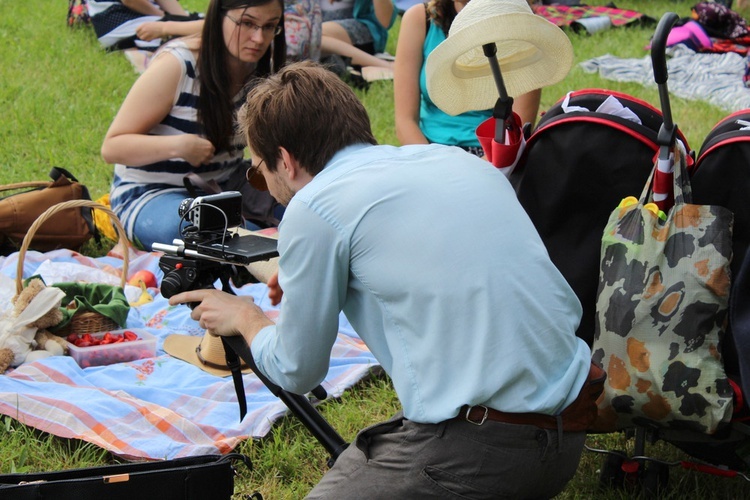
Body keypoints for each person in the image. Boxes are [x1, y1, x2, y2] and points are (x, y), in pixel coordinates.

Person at [169, 61, 594, 498]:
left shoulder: (313, 205)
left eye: (259, 172)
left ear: (285, 160)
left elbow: (296, 370)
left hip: (487, 451)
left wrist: (247, 318)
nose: (266, 185)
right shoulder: (456, 158)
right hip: (570, 427)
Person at [101, 0, 286, 251]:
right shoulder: (178, 65)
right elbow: (112, 147)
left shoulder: (263, 70)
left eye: (269, 27)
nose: (258, 38)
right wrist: (179, 146)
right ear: (219, 17)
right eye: (247, 23)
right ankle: (273, 247)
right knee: (212, 234)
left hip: (226, 184)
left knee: (307, 209)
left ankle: (273, 244)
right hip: (151, 194)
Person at [394, 0, 541, 156]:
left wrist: (478, 169)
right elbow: (405, 122)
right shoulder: (420, 19)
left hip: (491, 155)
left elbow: (517, 132)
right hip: (428, 151)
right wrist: (431, 163)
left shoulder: (521, 25)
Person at [136, 0, 323, 62]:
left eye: (269, 27)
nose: (258, 38)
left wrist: (165, 27)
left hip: (282, 62)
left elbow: (224, 21)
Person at [87, 0, 197, 50]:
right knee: (188, 40)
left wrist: (184, 19)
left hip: (141, 13)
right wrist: (166, 19)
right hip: (118, 18)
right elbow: (130, 1)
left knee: (196, 25)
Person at [320, 0, 397, 72]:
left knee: (316, 35)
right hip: (321, 25)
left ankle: (387, 66)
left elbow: (385, 21)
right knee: (312, 37)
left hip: (361, 26)